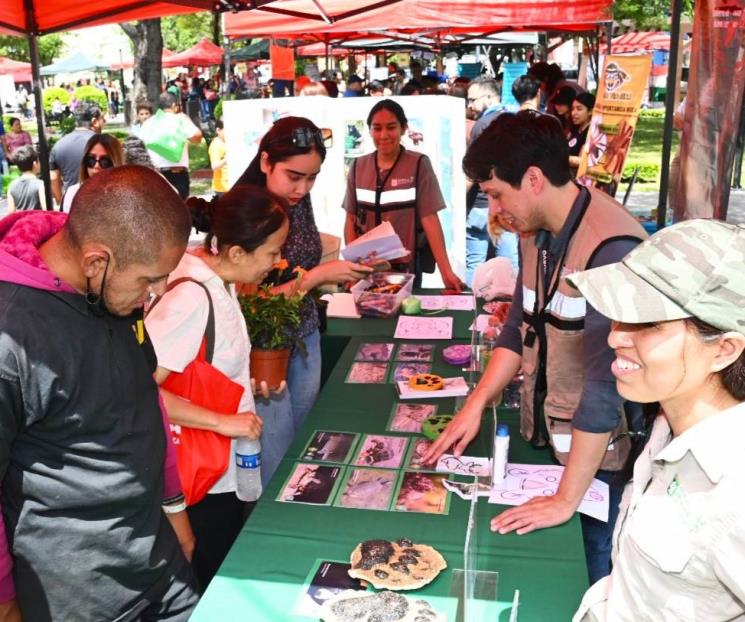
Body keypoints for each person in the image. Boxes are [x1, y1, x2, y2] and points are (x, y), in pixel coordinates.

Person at [423, 111, 647, 584]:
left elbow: (606, 391)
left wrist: (567, 498)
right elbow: (519, 326)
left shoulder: (610, 249)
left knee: (586, 572)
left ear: (533, 178)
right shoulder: (535, 230)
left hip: (595, 460)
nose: (496, 209)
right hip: (548, 436)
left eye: (497, 194)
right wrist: (476, 403)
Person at [0, 165, 198, 620]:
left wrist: (175, 509)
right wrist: (6, 604)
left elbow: (146, 401)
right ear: (95, 261)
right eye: (150, 279)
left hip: (158, 562)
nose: (157, 293)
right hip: (76, 594)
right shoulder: (12, 335)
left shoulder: (110, 287)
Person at [570, 219, 745, 620]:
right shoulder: (671, 419)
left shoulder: (735, 491)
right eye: (619, 315)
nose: (616, 337)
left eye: (647, 323)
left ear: (723, 350)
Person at [146, 185, 289, 592]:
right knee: (205, 579)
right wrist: (222, 420)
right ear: (238, 252)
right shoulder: (192, 296)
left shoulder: (218, 281)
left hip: (218, 469)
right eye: (272, 253)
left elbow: (203, 368)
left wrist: (240, 390)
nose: (277, 263)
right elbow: (138, 390)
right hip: (200, 477)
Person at [236, 117, 373, 476]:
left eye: (311, 178)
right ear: (265, 162)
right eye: (294, 176)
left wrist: (344, 265)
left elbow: (302, 262)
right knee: (275, 453)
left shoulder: (296, 201)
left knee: (301, 441)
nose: (302, 187)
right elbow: (247, 303)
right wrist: (316, 277)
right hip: (266, 350)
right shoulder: (247, 211)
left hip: (305, 332)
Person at [343, 99, 463, 291]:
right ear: (370, 130)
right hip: (367, 269)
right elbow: (350, 219)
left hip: (405, 270)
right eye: (377, 128)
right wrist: (353, 266)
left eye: (391, 127)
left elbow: (430, 219)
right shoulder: (358, 166)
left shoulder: (418, 164)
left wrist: (446, 271)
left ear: (404, 128)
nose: (384, 135)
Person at [465, 77, 518, 283]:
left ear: (488, 97)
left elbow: (473, 170)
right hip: (510, 203)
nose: (470, 106)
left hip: (482, 204)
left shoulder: (482, 126)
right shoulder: (513, 120)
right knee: (510, 262)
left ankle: (471, 307)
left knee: (475, 263)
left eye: (473, 100)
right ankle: (513, 309)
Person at [144, 91, 203, 199]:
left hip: (156, 175)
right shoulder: (180, 119)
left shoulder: (148, 122)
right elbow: (197, 137)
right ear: (174, 105)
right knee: (180, 210)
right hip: (178, 174)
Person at [49, 101, 105, 206]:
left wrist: (60, 201)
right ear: (95, 121)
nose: (104, 122)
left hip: (71, 204)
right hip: (98, 203)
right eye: (102, 119)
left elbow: (53, 178)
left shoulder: (59, 145)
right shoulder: (102, 144)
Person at [61, 133, 124, 213]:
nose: (96, 166)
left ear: (116, 163)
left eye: (105, 161)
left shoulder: (128, 196)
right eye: (91, 160)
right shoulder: (73, 193)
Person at [6, 145, 45, 212]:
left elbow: (11, 212)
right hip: (37, 220)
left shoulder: (12, 185)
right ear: (35, 163)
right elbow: (46, 209)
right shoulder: (40, 184)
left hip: (21, 221)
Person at [568, 92, 596, 176]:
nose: (573, 113)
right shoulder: (575, 128)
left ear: (590, 111)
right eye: (572, 109)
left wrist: (559, 157)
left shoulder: (591, 132)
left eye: (579, 109)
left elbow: (581, 161)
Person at [208, 119, 229, 198]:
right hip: (222, 188)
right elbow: (214, 166)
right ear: (218, 130)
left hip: (230, 186)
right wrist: (227, 159)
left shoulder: (227, 142)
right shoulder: (216, 145)